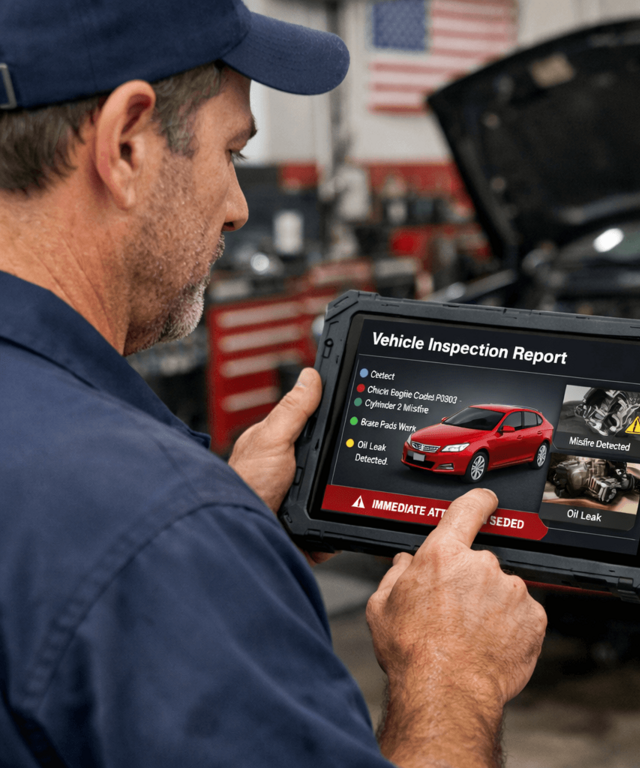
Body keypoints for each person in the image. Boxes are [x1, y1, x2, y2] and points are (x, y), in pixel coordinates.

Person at [0, 1, 547, 766]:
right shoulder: (160, 530)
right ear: (125, 144)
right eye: (234, 153)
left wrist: (229, 522)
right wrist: (451, 675)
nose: (237, 208)